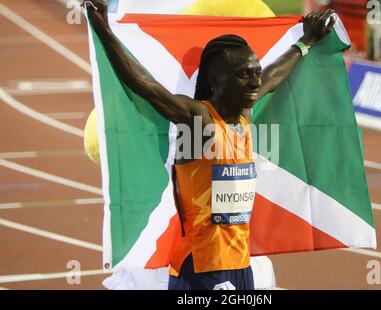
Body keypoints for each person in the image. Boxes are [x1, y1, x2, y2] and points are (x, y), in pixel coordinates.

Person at [84, 0, 335, 290]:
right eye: (244, 74)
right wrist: (104, 29)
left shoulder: (243, 114)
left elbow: (274, 76)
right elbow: (146, 87)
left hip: (240, 265)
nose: (254, 81)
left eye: (255, 71)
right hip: (200, 269)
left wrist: (308, 41)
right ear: (215, 81)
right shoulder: (198, 119)